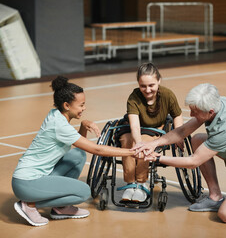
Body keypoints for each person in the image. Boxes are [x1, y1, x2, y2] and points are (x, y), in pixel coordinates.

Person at [133, 83, 226, 223]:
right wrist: (154, 143)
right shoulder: (218, 103)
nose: (192, 114)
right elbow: (183, 131)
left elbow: (194, 161)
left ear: (210, 112)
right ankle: (215, 197)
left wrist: (158, 159)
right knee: (197, 140)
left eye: (195, 111)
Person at [12, 76, 137, 227]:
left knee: (78, 155)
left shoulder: (55, 115)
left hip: (32, 178)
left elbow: (80, 146)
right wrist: (132, 152)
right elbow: (97, 149)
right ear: (66, 105)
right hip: (27, 182)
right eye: (81, 105)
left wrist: (83, 125)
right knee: (83, 192)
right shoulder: (60, 126)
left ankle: (60, 208)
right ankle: (29, 205)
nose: (84, 108)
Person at [119, 63, 183, 202]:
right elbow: (134, 126)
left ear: (159, 80)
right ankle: (130, 184)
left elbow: (177, 115)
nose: (147, 90)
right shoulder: (133, 97)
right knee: (127, 141)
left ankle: (141, 183)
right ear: (138, 83)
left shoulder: (167, 95)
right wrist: (137, 142)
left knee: (146, 143)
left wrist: (179, 135)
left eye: (151, 85)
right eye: (143, 86)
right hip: (134, 128)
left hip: (154, 130)